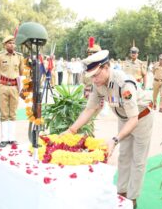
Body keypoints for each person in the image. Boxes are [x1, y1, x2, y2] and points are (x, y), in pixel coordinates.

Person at [61, 50, 153, 209]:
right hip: (124, 118)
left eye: (96, 75)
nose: (94, 79)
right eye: (92, 76)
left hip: (141, 117)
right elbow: (90, 110)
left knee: (138, 161)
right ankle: (121, 193)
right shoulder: (98, 84)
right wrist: (71, 130)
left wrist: (115, 139)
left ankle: (132, 199)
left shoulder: (124, 85)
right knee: (124, 156)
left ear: (106, 67)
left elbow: (134, 119)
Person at [0, 35, 24, 148]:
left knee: (13, 113)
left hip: (15, 87)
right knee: (4, 113)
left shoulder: (19, 57)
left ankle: (12, 138)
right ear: (5, 45)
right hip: (3, 86)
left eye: (13, 43)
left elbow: (21, 74)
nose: (12, 45)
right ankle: (4, 138)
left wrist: (22, 89)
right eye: (9, 43)